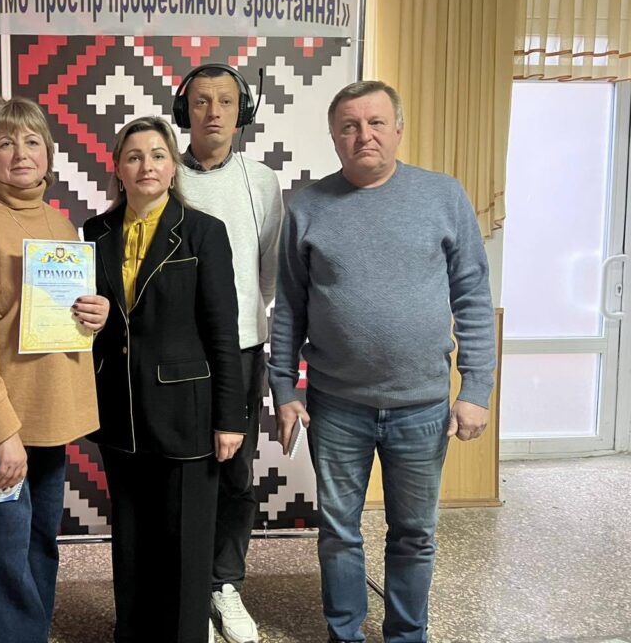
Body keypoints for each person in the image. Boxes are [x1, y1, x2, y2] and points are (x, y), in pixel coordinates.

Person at [267, 81, 496, 643]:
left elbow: (472, 294)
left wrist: (476, 388)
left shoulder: (443, 196)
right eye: (349, 126)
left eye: (375, 123)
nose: (363, 135)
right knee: (339, 533)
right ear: (334, 137)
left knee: (414, 534)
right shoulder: (306, 207)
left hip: (422, 405)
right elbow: (289, 306)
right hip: (336, 405)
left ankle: (406, 636)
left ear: (398, 129)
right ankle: (344, 634)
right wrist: (285, 390)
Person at [0, 96, 109, 643]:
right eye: (5, 143)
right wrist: (3, 434)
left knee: (38, 547)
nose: (21, 153)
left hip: (47, 421)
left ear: (48, 155)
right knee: (2, 557)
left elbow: (61, 320)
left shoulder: (59, 224)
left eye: (32, 141)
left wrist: (94, 314)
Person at [83, 116, 247, 643]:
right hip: (120, 409)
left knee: (185, 544)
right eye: (134, 156)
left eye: (157, 155)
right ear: (117, 167)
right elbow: (88, 320)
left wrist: (230, 418)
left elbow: (223, 332)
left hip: (187, 412)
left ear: (173, 166)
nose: (146, 166)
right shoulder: (94, 233)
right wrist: (88, 317)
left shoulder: (204, 232)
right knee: (131, 538)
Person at [172, 64, 284, 643]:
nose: (213, 112)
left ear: (244, 111)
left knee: (235, 473)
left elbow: (268, 274)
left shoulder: (261, 181)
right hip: (174, 353)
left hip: (240, 349)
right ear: (182, 110)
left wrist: (238, 318)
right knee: (181, 475)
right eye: (200, 101)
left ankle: (224, 583)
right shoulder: (164, 173)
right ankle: (185, 593)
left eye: (225, 101)